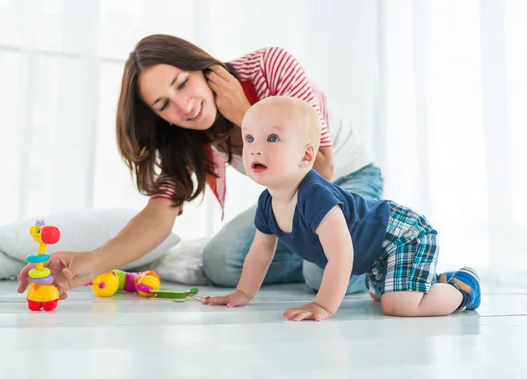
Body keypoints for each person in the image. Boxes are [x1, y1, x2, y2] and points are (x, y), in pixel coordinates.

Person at [16, 34, 382, 298]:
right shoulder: (190, 135)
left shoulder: (269, 67)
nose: (185, 107)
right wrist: (92, 262)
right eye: (164, 105)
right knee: (220, 262)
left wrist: (246, 115)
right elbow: (159, 213)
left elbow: (322, 169)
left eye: (182, 84)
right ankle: (319, 256)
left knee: (322, 277)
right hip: (287, 199)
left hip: (346, 185)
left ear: (200, 68)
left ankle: (384, 249)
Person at [203, 96, 481, 321]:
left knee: (399, 305)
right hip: (373, 254)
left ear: (306, 155)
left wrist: (323, 305)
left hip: (401, 234)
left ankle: (463, 287)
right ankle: (433, 281)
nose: (255, 149)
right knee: (381, 295)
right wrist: (242, 293)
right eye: (250, 138)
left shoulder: (315, 194)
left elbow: (341, 255)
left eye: (272, 138)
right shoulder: (268, 202)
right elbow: (260, 252)